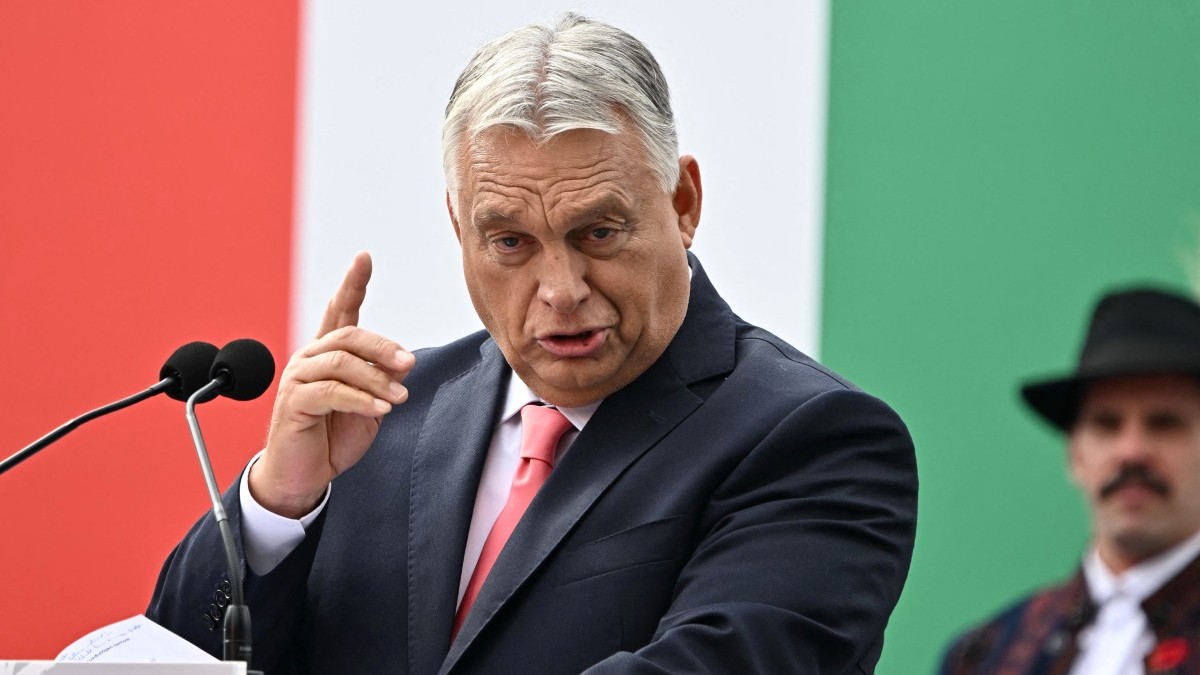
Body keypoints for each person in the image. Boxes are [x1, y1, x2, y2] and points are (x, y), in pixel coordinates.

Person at [148, 14, 917, 674]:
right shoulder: (376, 420)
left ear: (683, 204)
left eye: (599, 231)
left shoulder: (813, 437)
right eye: (511, 241)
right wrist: (277, 504)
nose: (560, 288)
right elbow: (171, 657)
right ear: (459, 228)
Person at [941, 288, 1200, 674]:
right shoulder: (986, 654)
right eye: (1106, 424)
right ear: (1075, 455)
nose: (1131, 451)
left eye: (1164, 423)